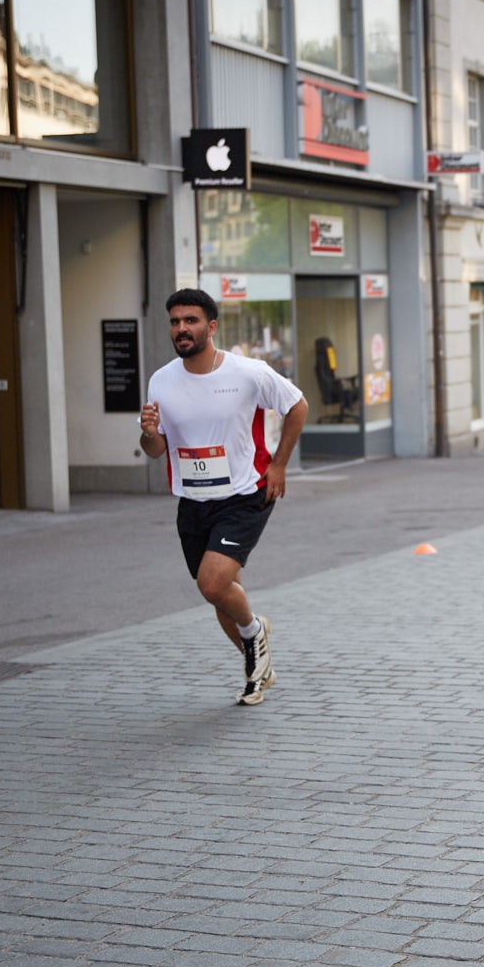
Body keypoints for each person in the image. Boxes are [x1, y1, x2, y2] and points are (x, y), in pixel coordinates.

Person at [140, 288, 309, 706]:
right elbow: (156, 449)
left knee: (212, 583)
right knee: (221, 593)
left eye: (191, 320)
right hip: (193, 500)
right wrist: (148, 433)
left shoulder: (247, 372)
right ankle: (258, 669)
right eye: (175, 322)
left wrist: (279, 464)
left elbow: (297, 406)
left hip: (245, 493)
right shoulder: (161, 380)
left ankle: (254, 632)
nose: (181, 328)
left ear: (211, 326)